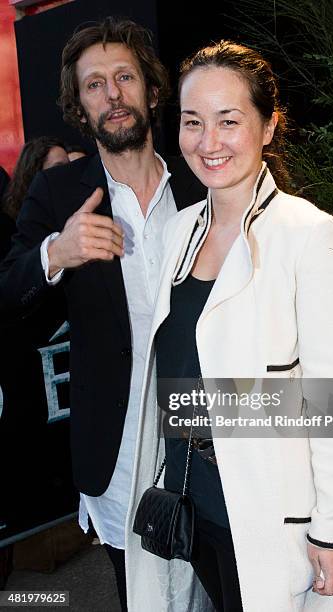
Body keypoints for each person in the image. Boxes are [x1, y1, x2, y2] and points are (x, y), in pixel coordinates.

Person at [125, 41, 333, 611]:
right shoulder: (179, 232)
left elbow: (332, 398)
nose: (209, 142)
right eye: (192, 122)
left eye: (229, 121)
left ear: (269, 126)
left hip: (265, 510)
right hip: (187, 501)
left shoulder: (308, 235)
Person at [0, 17, 207, 611]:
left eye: (124, 77)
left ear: (150, 88)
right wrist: (57, 253)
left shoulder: (199, 183)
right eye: (95, 85)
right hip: (120, 452)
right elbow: (6, 292)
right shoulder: (60, 193)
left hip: (208, 437)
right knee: (143, 596)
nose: (112, 94)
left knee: (226, 586)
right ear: (80, 104)